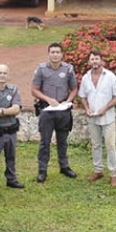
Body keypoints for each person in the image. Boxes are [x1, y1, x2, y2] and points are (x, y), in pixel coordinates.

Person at [31, 42, 78, 182]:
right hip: (47, 110)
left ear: (62, 54)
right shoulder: (41, 69)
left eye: (58, 52)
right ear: (49, 54)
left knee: (62, 141)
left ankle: (64, 166)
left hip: (63, 110)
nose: (55, 54)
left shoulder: (68, 69)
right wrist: (47, 99)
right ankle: (42, 170)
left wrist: (68, 101)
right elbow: (34, 90)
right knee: (45, 142)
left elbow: (74, 89)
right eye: (52, 52)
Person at [78, 50, 116, 187]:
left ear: (102, 60)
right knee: (95, 145)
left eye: (97, 59)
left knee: (110, 146)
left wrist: (105, 108)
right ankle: (98, 171)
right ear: (89, 62)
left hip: (108, 118)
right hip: (93, 118)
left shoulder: (110, 76)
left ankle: (113, 174)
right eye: (92, 59)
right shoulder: (86, 78)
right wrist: (86, 108)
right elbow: (82, 96)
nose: (94, 62)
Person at [0, 64, 25, 195]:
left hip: (11, 131)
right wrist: (9, 110)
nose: (2, 75)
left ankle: (11, 179)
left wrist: (2, 111)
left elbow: (17, 109)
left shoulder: (14, 89)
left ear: (8, 75)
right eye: (0, 72)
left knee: (11, 157)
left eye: (5, 73)